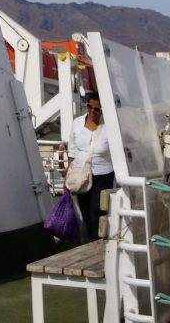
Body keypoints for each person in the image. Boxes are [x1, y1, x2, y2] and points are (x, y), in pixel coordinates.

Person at [65, 91, 114, 241]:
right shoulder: (77, 123)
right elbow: (72, 150)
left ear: (103, 110)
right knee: (85, 213)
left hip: (102, 175)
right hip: (80, 175)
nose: (92, 111)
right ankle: (88, 244)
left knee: (96, 214)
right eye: (89, 107)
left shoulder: (110, 126)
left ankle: (98, 244)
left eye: (96, 109)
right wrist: (68, 176)